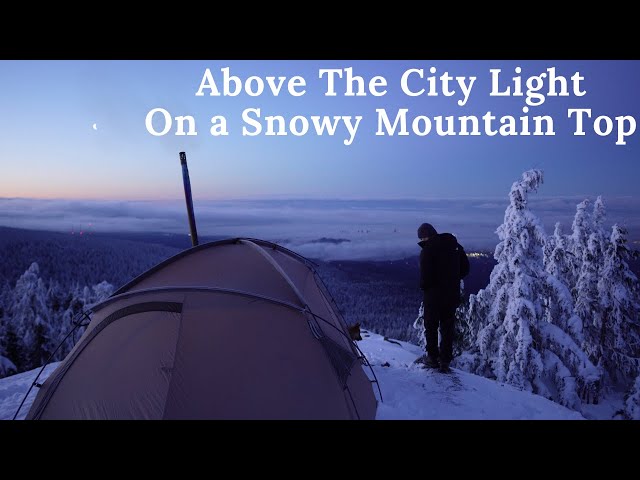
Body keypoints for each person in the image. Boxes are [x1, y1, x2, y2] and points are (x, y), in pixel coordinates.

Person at [417, 222, 470, 372]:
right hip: (451, 295)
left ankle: (433, 358)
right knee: (447, 327)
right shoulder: (455, 246)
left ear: (425, 237)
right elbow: (465, 268)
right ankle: (445, 361)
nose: (421, 241)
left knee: (431, 327)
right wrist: (452, 279)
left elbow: (425, 277)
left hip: (433, 296)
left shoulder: (427, 251)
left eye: (421, 239)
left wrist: (425, 286)